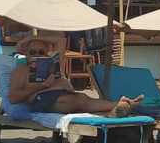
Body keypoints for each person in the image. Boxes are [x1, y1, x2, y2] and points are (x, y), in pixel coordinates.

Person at [10, 37, 141, 116]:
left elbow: (61, 40)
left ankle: (120, 104)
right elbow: (13, 98)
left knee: (83, 98)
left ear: (47, 53)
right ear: (26, 54)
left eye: (41, 52)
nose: (37, 54)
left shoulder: (52, 64)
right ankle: (119, 105)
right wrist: (43, 85)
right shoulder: (21, 70)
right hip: (42, 100)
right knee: (79, 101)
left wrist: (33, 38)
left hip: (62, 95)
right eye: (33, 52)